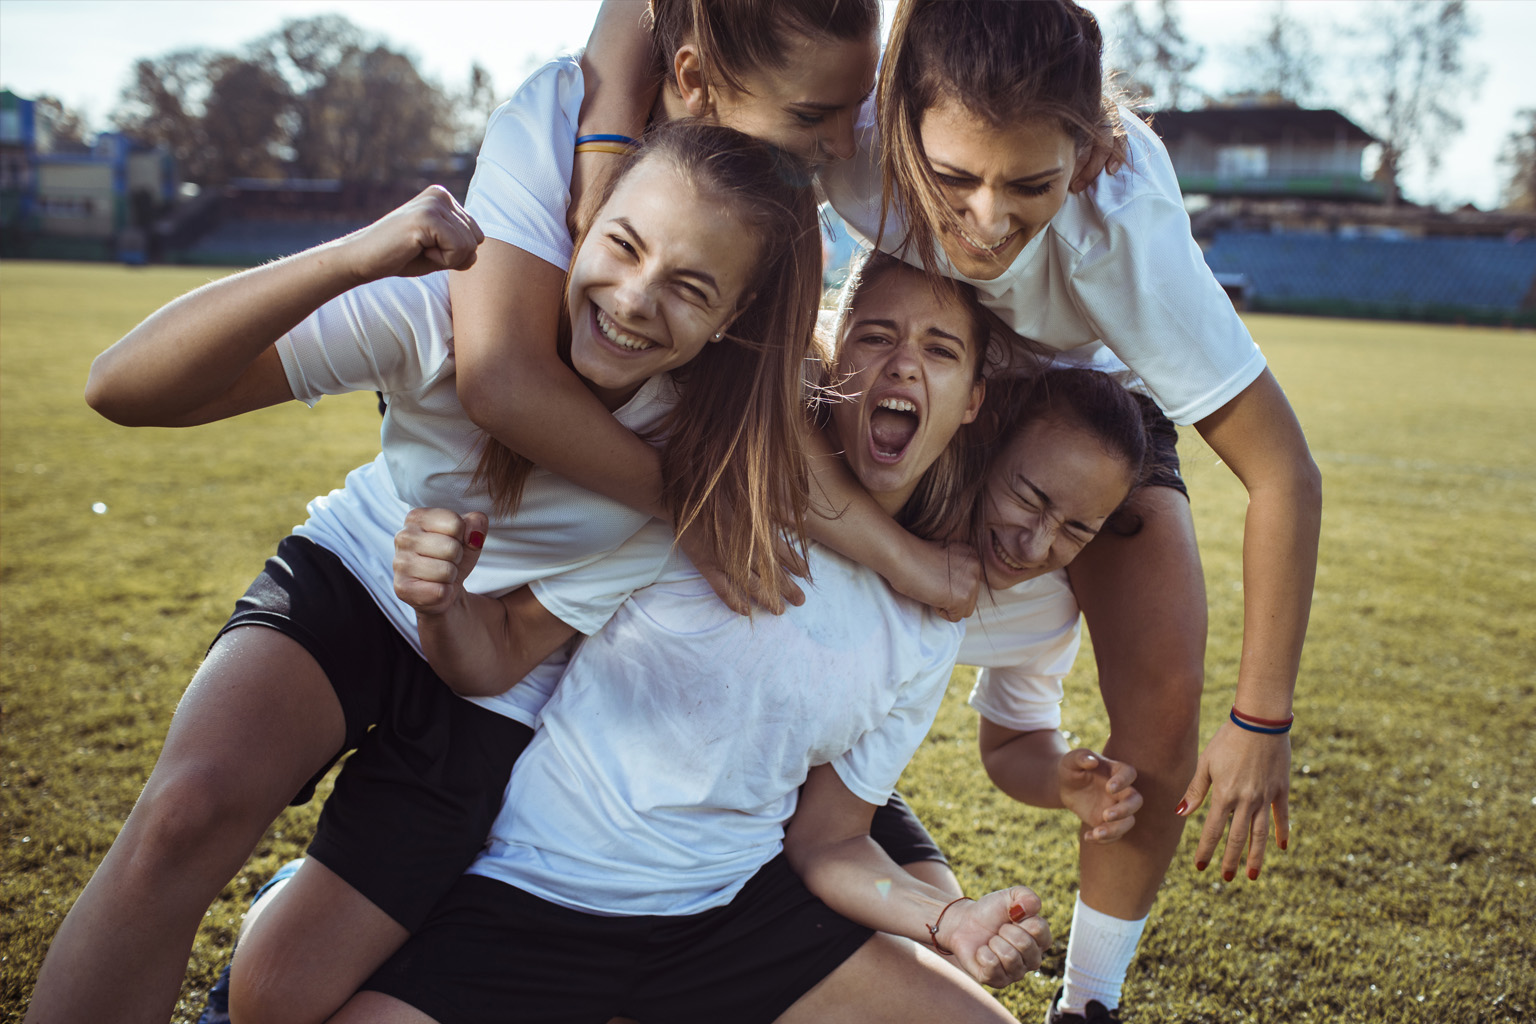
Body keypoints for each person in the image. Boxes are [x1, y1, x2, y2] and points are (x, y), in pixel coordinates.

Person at [26, 120, 822, 1024]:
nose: (636, 300)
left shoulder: (692, 461)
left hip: (483, 692)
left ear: (732, 322)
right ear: (586, 222)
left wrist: (443, 605)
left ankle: (298, 893)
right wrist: (356, 256)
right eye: (623, 246)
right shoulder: (449, 313)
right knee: (183, 815)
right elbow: (120, 387)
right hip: (355, 573)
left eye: (690, 288)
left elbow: (499, 658)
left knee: (277, 1000)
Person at [327, 252, 1049, 1024]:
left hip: (732, 917)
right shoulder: (704, 492)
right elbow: (498, 653)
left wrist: (945, 919)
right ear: (830, 361)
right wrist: (441, 605)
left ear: (972, 400)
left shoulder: (927, 624)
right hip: (538, 896)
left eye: (940, 350)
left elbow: (832, 845)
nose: (904, 365)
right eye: (875, 337)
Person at [812, 2, 1324, 1019]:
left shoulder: (1123, 226)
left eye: (1031, 182)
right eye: (954, 177)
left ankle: (1090, 1001)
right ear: (896, 113)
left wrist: (1260, 717)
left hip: (1090, 399)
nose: (990, 219)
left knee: (1163, 690)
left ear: (1087, 153)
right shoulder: (844, 134)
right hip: (932, 363)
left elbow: (1284, 473)